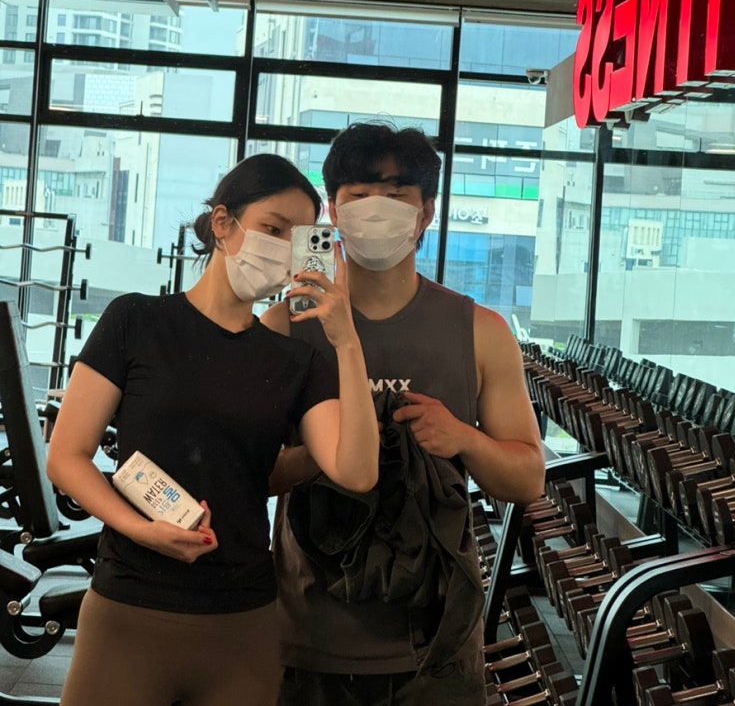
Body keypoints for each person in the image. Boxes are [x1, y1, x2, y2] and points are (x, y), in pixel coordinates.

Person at [46, 153, 379, 706]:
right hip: (129, 608)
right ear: (223, 223)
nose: (282, 249)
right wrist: (139, 529)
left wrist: (345, 339)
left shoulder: (298, 361)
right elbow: (67, 456)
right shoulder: (136, 321)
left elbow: (357, 471)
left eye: (297, 238)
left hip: (241, 621)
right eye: (273, 228)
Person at [264, 121, 546, 706]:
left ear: (427, 213)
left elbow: (527, 479)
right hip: (308, 638)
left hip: (436, 646)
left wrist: (463, 437)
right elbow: (251, 473)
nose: (376, 210)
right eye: (359, 195)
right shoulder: (285, 328)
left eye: (395, 196)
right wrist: (337, 451)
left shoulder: (481, 332)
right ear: (332, 213)